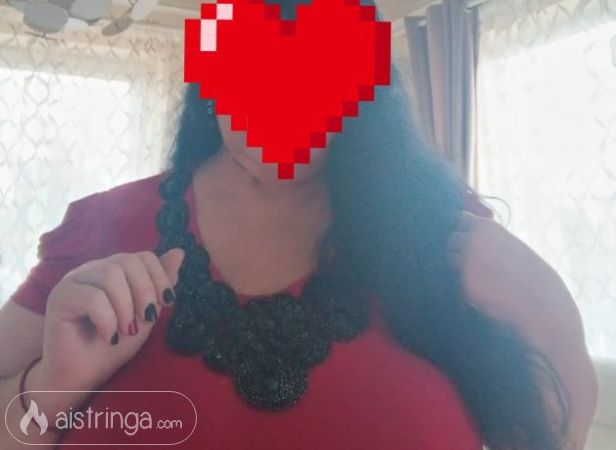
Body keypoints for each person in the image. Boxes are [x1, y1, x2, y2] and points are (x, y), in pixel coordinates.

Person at [0, 2, 597, 448]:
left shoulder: (440, 226)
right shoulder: (100, 227)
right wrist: (49, 386)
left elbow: (543, 433)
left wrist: (553, 314)